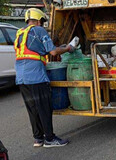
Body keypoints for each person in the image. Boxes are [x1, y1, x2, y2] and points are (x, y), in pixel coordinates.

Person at [15, 8, 77, 148]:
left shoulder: (20, 33)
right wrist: (67, 48)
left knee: (33, 109)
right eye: (42, 21)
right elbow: (53, 51)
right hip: (36, 76)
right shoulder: (39, 30)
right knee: (44, 107)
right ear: (38, 20)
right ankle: (49, 138)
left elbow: (35, 50)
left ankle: (38, 139)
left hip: (21, 77)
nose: (42, 24)